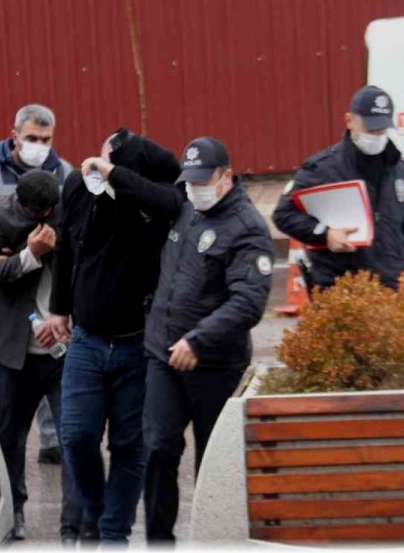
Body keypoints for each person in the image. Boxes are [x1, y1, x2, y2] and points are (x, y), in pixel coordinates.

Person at [86, 136, 274, 541]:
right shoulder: (187, 209)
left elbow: (248, 303)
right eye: (189, 181)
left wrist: (198, 340)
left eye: (203, 180)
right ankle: (159, 541)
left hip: (214, 364)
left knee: (213, 463)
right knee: (157, 448)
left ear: (226, 176)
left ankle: (215, 540)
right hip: (163, 355)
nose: (194, 188)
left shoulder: (248, 228)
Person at [40, 127, 181, 543]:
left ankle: (113, 533)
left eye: (109, 162)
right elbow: (65, 245)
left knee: (128, 445)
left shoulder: (158, 202)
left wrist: (118, 176)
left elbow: (170, 190)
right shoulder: (80, 189)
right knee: (77, 436)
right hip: (87, 340)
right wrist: (60, 306)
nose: (97, 166)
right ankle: (97, 513)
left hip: (137, 345)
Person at [0, 170, 82, 543]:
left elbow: (88, 265)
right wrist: (27, 256)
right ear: (22, 204)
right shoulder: (2, 216)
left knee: (74, 437)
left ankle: (73, 525)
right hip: (16, 351)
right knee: (10, 436)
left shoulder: (69, 213)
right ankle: (13, 510)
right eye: (37, 213)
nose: (44, 220)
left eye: (50, 212)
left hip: (64, 351)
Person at [0, 104, 74, 464]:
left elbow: (68, 241)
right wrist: (13, 256)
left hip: (43, 297)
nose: (38, 146)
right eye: (31, 139)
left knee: (46, 362)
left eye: (45, 139)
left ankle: (51, 440)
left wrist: (18, 253)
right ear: (15, 136)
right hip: (0, 298)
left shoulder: (64, 174)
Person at [272, 85, 404, 296]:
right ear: (349, 121)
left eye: (382, 130)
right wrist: (325, 234)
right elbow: (284, 214)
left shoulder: (400, 170)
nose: (377, 136)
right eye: (371, 129)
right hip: (341, 286)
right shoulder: (322, 169)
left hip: (391, 285)